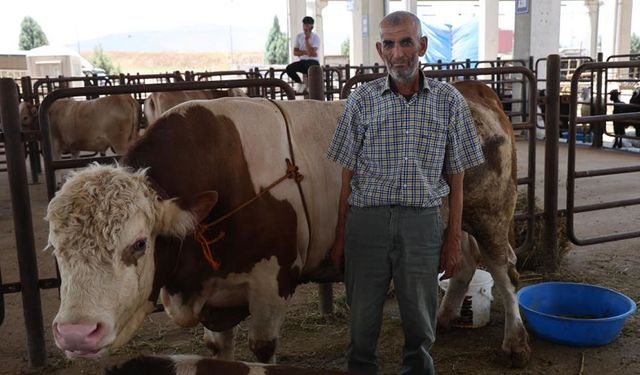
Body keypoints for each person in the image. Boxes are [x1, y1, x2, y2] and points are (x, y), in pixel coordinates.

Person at [325, 11, 485, 375]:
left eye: (406, 42)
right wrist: (340, 236)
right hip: (367, 224)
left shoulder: (448, 101)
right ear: (381, 50)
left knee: (420, 323)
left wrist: (453, 238)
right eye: (390, 44)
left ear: (422, 45)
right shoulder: (362, 99)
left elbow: (456, 176)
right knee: (362, 323)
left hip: (421, 223)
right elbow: (346, 175)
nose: (399, 53)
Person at [285, 16, 320, 93]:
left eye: (308, 25)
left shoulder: (315, 37)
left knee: (310, 68)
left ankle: (311, 88)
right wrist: (305, 52)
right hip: (303, 61)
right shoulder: (299, 36)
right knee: (289, 68)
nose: (305, 27)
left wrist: (307, 39)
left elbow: (311, 53)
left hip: (313, 62)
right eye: (304, 25)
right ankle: (300, 84)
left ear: (312, 26)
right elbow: (295, 52)